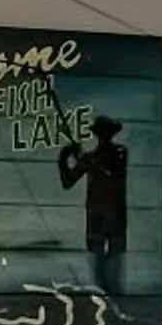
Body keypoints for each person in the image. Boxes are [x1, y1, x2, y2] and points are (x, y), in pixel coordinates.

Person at [57, 114, 132, 299]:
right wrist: (63, 158)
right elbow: (68, 181)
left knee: (115, 258)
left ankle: (115, 297)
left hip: (114, 213)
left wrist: (89, 161)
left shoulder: (120, 152)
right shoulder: (90, 158)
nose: (104, 136)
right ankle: (103, 296)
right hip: (96, 213)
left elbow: (113, 174)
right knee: (98, 259)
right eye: (102, 133)